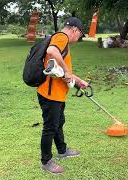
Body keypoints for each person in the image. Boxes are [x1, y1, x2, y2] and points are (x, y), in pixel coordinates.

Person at [37, 17, 89, 174]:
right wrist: (67, 71)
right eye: (80, 35)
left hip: (57, 93)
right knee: (50, 127)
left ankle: (62, 150)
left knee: (59, 122)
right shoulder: (61, 37)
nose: (78, 38)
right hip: (50, 94)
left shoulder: (63, 41)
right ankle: (46, 161)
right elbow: (51, 51)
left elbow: (60, 68)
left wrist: (78, 81)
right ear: (74, 30)